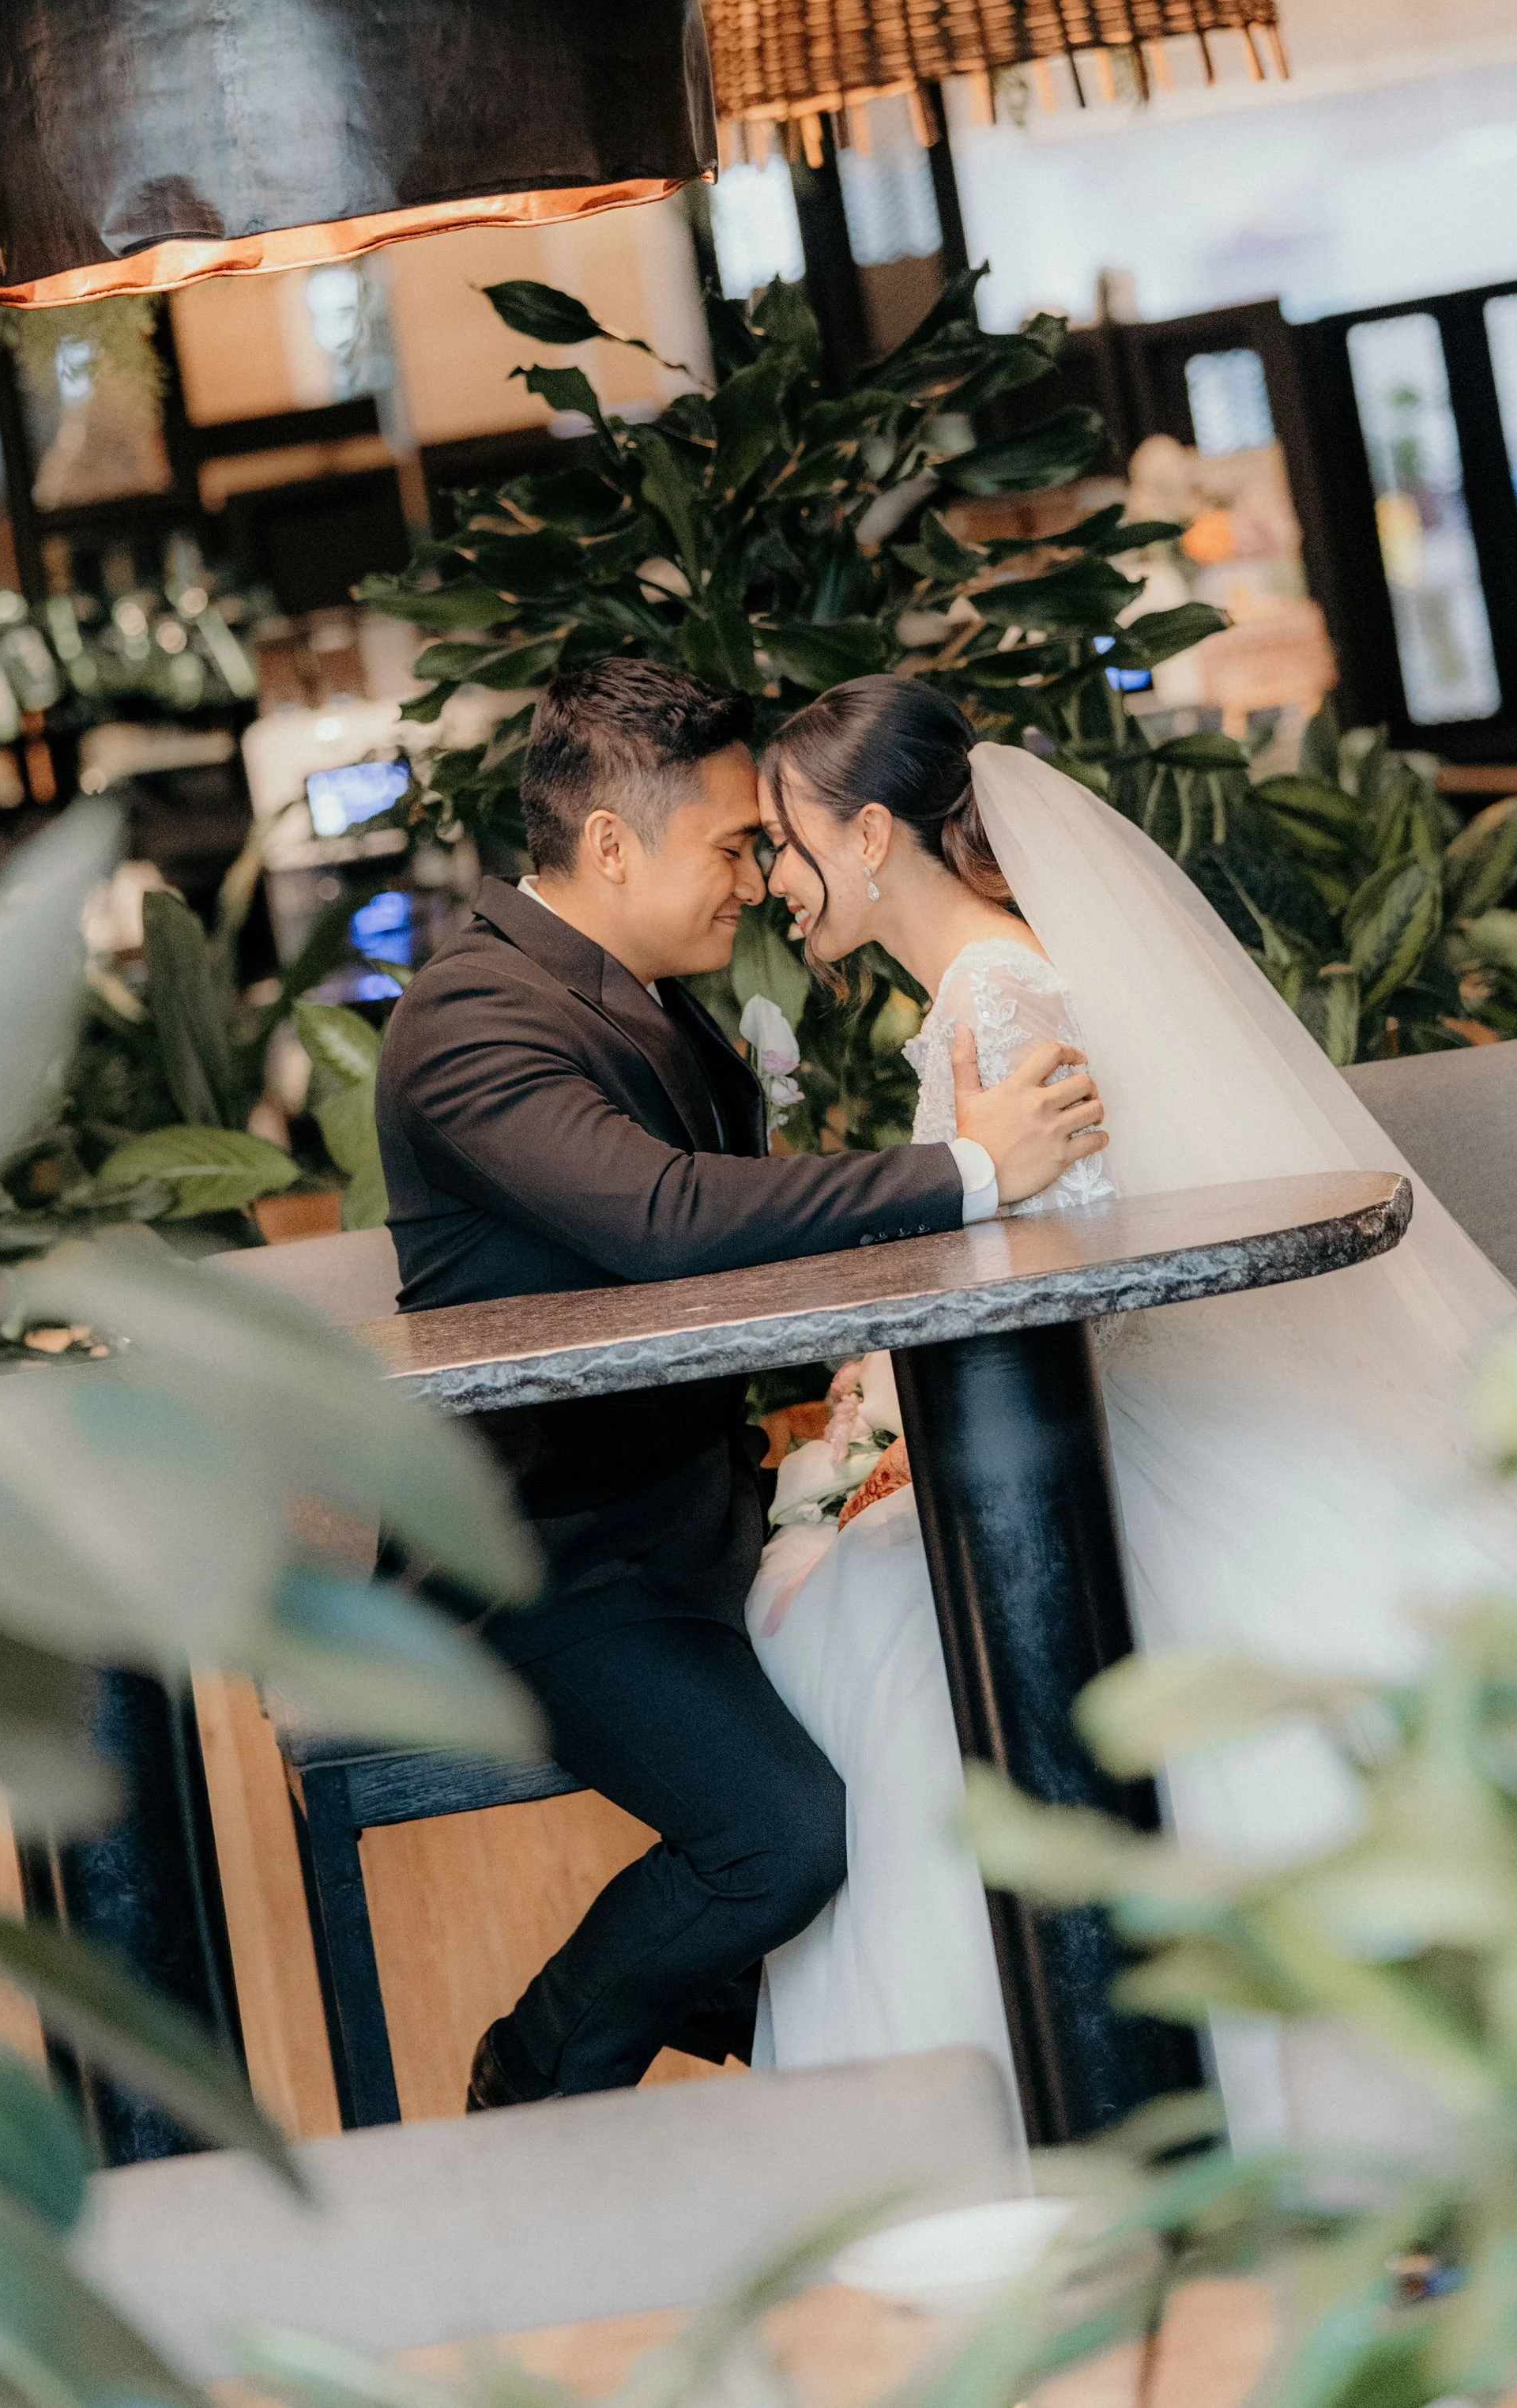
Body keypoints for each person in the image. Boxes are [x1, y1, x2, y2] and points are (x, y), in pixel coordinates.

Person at [747, 674, 1517, 2154]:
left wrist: (911, 1433)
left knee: (855, 1635)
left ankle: (1035, 2116)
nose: (773, 882)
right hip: (1057, 1413)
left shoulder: (1003, 996)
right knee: (836, 1611)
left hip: (1108, 1430)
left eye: (786, 842)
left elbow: (1078, 1268)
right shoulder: (968, 998)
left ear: (871, 835)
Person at [374, 658, 1109, 2110]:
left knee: (939, 1699)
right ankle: (533, 2074)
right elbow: (662, 1218)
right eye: (731, 842)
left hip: (698, 1517)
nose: (757, 874)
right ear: (607, 845)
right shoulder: (468, 1022)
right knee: (788, 1833)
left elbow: (739, 1244)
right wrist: (964, 1171)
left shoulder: (642, 1000)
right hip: (550, 1565)